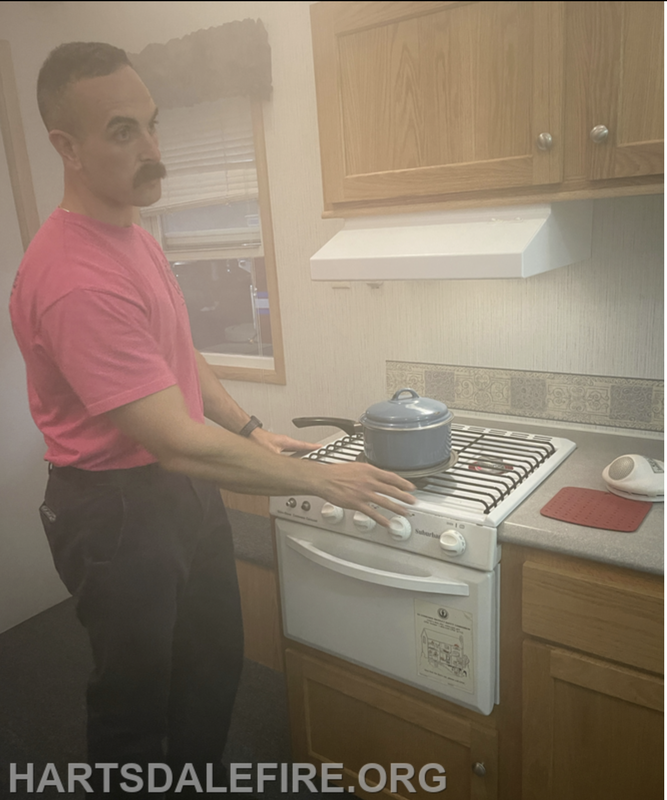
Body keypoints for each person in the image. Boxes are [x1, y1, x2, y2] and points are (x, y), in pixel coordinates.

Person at [9, 42, 416, 798]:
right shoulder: (72, 278)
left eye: (154, 126)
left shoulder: (129, 233)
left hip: (180, 494)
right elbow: (170, 439)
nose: (153, 151)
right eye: (123, 132)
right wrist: (319, 483)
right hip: (115, 513)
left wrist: (248, 427)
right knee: (135, 701)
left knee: (210, 663)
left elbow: (176, 354)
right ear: (65, 147)